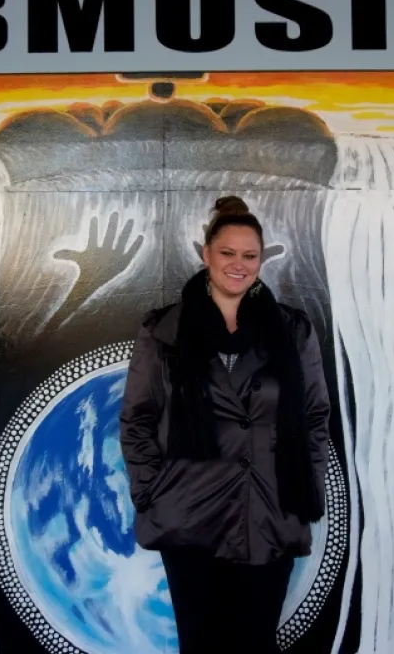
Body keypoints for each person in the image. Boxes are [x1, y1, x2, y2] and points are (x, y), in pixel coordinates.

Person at [119, 196, 332, 654]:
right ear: (206, 255)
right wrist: (152, 493)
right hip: (188, 513)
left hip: (270, 512)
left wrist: (304, 487)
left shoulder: (292, 331)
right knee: (201, 644)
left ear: (261, 260)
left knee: (255, 644)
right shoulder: (163, 332)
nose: (238, 265)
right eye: (227, 253)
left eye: (249, 255)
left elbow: (315, 416)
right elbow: (137, 419)